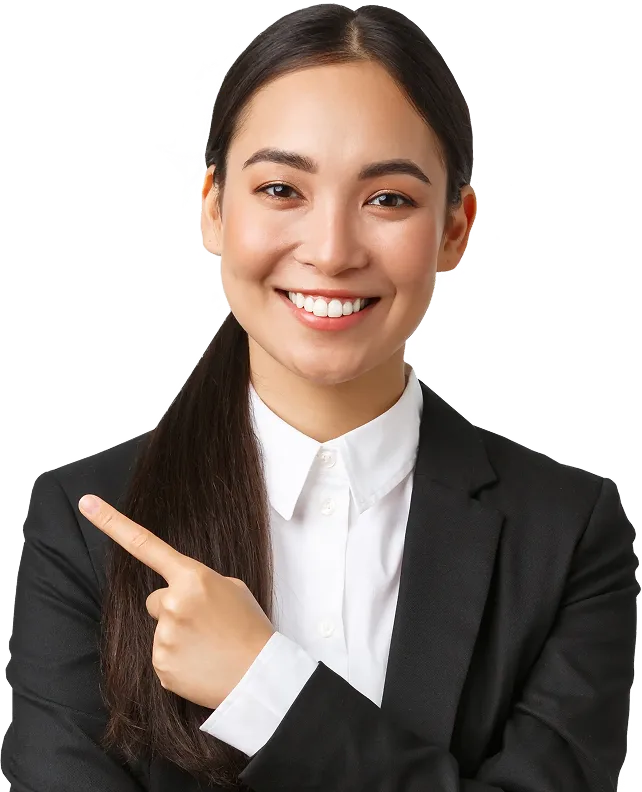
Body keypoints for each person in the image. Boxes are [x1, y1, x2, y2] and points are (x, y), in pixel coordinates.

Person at [3, 5, 637, 791]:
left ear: (456, 228)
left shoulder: (567, 534)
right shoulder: (92, 522)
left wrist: (267, 689)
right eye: (280, 188)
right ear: (215, 208)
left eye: (389, 200)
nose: (332, 251)